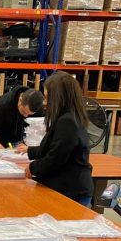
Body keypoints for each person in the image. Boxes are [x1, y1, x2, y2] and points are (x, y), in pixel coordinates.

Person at [23, 71, 93, 206]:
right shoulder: (70, 117)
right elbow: (53, 147)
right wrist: (30, 151)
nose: (45, 103)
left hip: (71, 191)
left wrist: (33, 167)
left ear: (58, 98)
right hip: (67, 187)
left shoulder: (67, 122)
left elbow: (56, 158)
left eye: (47, 98)